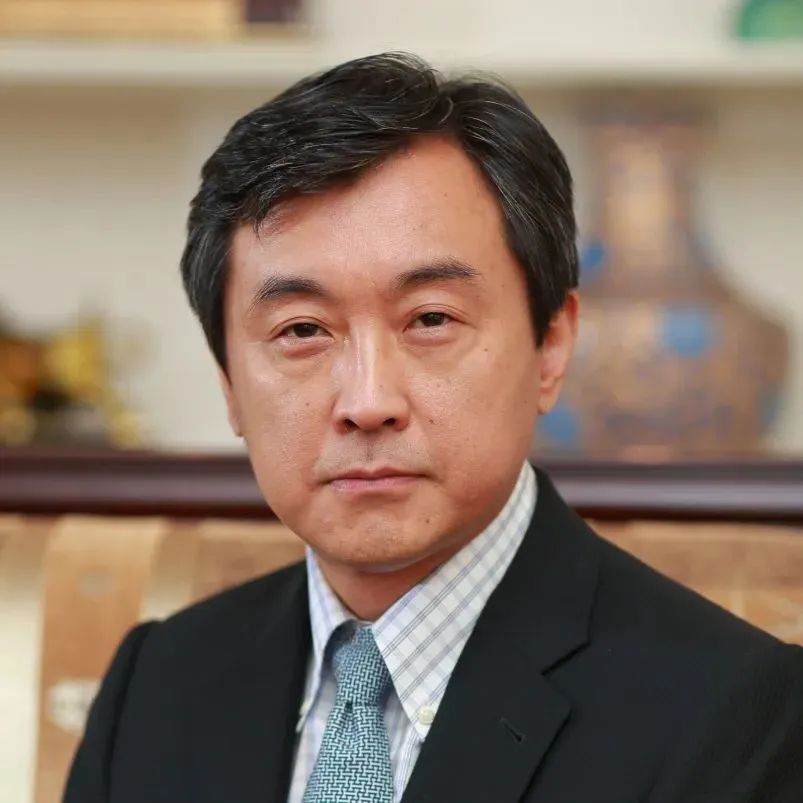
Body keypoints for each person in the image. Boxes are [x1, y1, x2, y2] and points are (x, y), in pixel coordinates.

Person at [63, 52, 803, 803]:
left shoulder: (736, 713)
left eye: (430, 319)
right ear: (228, 380)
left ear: (551, 346)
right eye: (302, 330)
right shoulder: (156, 686)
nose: (367, 401)